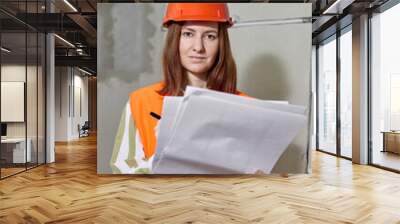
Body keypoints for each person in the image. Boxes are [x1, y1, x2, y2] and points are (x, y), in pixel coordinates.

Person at [110, 3, 248, 174]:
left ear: (222, 44)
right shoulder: (141, 102)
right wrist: (168, 155)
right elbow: (122, 169)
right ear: (175, 39)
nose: (198, 47)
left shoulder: (247, 107)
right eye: (188, 34)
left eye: (210, 36)